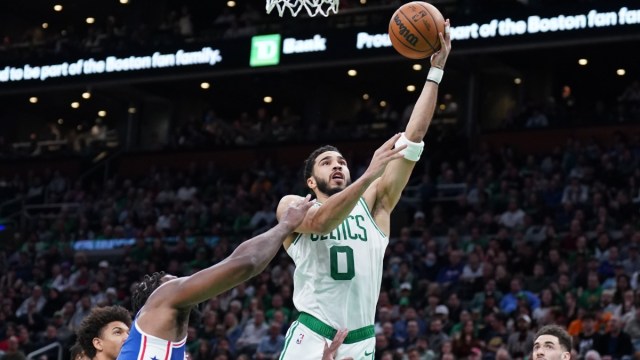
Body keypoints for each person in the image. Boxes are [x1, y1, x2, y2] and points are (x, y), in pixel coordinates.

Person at [276, 20, 452, 360]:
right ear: (311, 180)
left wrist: (436, 71)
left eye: (341, 161)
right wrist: (369, 173)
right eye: (327, 162)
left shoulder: (376, 205)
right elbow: (321, 223)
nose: (338, 165)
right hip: (313, 331)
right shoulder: (293, 205)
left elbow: (412, 140)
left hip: (362, 338)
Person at [116, 196, 314, 360]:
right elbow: (245, 264)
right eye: (175, 279)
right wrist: (286, 225)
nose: (184, 282)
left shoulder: (173, 350)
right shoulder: (163, 296)